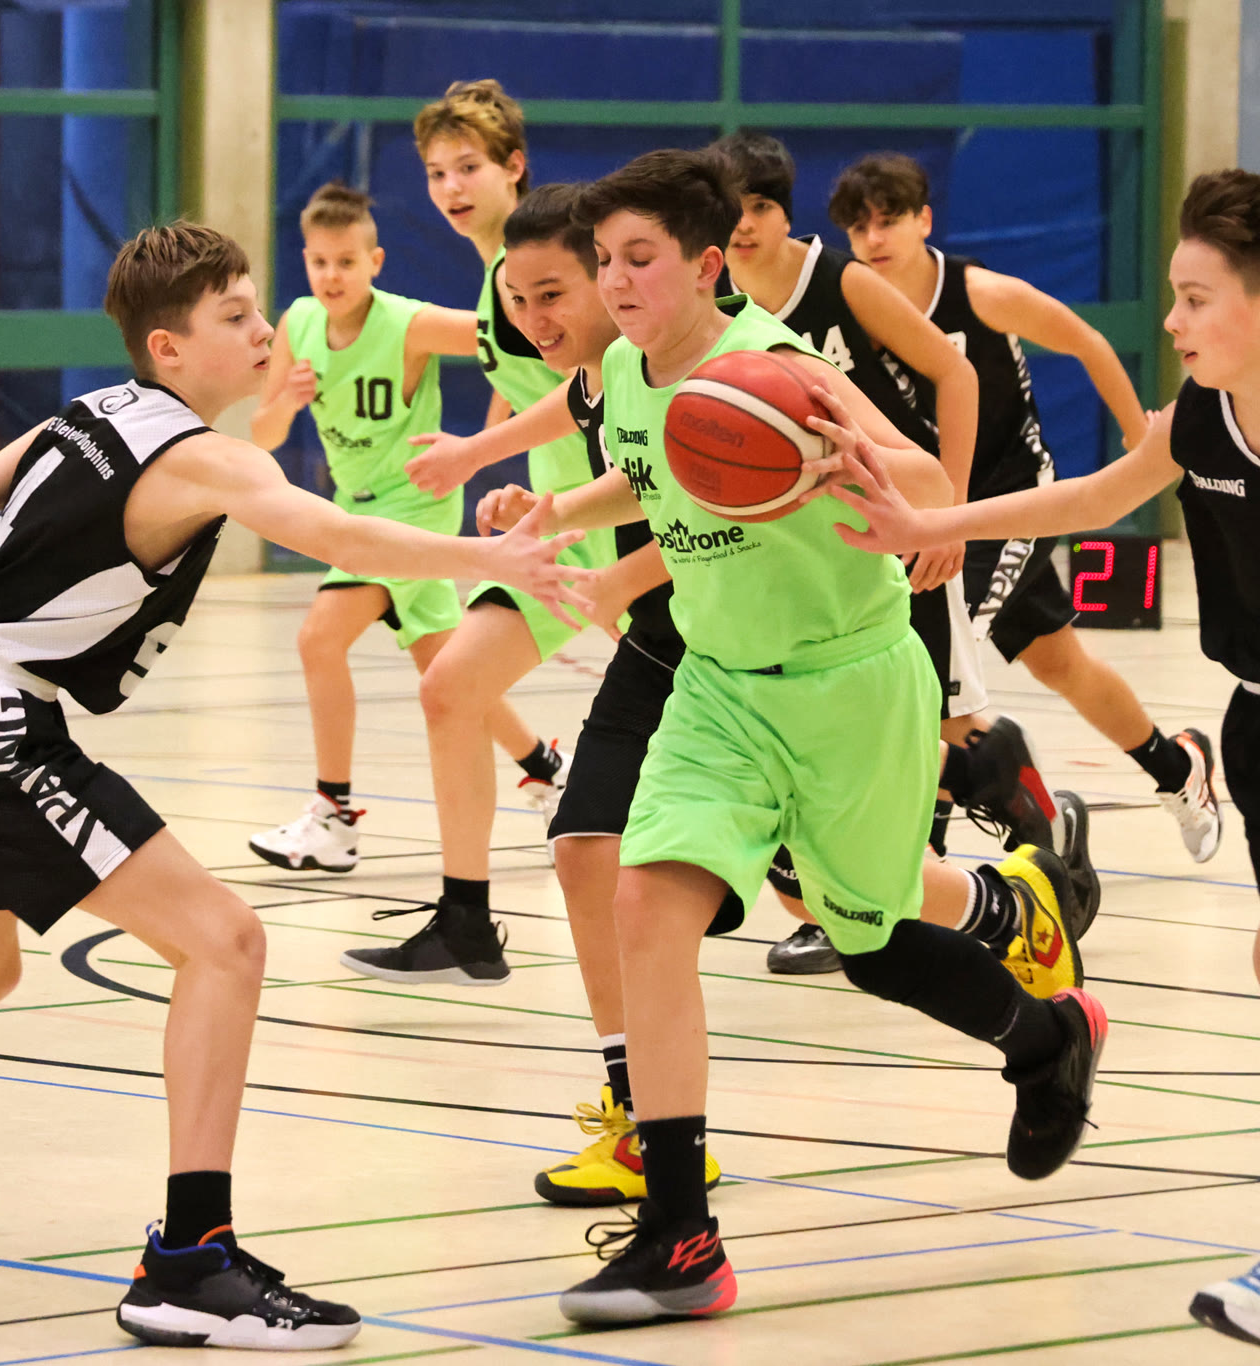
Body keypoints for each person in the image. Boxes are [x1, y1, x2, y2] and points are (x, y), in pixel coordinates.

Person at [0, 219, 590, 1351]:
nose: (263, 330)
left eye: (257, 309)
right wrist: (488, 559)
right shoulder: (204, 458)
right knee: (226, 943)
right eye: (236, 317)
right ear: (169, 347)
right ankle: (188, 1263)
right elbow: (338, 532)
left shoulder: (87, 413)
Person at [455, 151, 1106, 1323]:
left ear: (707, 265)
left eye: (640, 259)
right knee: (643, 905)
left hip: (846, 683)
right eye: (604, 262)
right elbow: (652, 474)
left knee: (870, 942)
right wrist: (549, 511)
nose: (616, 281)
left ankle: (1042, 1036)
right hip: (719, 687)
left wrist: (890, 492)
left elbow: (915, 471)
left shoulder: (779, 368)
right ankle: (678, 1235)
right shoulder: (628, 371)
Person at [826, 168, 1260, 1361]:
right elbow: (1086, 496)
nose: (1169, 319)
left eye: (1193, 298)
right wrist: (925, 524)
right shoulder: (1195, 423)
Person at [711, 130, 1073, 977]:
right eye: (730, 211)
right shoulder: (720, 307)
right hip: (813, 547)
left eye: (760, 206)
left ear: (785, 212)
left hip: (902, 520)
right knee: (876, 729)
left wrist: (947, 513)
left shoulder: (840, 282)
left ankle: (960, 868)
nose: (745, 224)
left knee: (916, 721)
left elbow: (957, 374)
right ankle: (939, 840)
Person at [832, 151, 1222, 864]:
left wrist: (1138, 441)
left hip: (1015, 497)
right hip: (935, 507)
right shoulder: (859, 309)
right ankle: (1178, 766)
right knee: (1060, 662)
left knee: (935, 664)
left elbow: (1088, 342)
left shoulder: (979, 293)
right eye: (859, 228)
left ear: (924, 220)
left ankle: (930, 855)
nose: (875, 239)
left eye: (889, 221)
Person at [334, 79, 617, 988]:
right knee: (451, 688)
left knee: (747, 713)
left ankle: (940, 805)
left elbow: (597, 395)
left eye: (468, 168)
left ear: (513, 167)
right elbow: (533, 391)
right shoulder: (500, 278)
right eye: (435, 173)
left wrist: (473, 453)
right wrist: (498, 468)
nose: (451, 187)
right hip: (557, 525)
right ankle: (465, 921)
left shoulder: (551, 270)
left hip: (625, 514)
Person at [245, 182, 537, 874]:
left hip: (415, 507)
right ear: (305, 261)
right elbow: (260, 435)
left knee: (319, 638)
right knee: (445, 665)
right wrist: (286, 404)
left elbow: (510, 336)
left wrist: (485, 438)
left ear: (374, 262)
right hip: (354, 512)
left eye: (346, 262)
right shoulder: (297, 324)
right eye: (319, 262)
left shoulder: (407, 323)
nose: (331, 276)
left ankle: (335, 816)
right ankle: (545, 768)